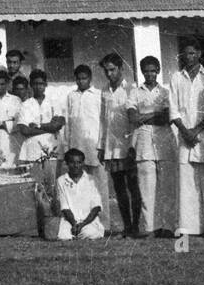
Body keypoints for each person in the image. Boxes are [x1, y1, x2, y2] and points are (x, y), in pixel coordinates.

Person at [170, 39, 204, 237]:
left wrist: (197, 130)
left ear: (199, 54)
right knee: (187, 185)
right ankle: (189, 229)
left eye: (192, 53)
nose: (188, 57)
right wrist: (185, 131)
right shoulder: (176, 78)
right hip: (184, 138)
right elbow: (174, 110)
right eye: (185, 54)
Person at [127, 56, 177, 237]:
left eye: (153, 70)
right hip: (144, 144)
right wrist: (154, 113)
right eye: (146, 71)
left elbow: (165, 117)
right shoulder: (135, 92)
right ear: (142, 72)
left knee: (167, 188)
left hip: (164, 142)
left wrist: (144, 116)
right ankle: (150, 228)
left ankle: (169, 227)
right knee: (147, 188)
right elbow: (132, 117)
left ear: (158, 70)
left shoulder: (165, 92)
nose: (149, 74)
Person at [99, 52, 141, 237]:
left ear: (121, 68)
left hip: (128, 146)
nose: (109, 74)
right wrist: (101, 146)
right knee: (119, 189)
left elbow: (135, 121)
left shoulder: (132, 89)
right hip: (111, 146)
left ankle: (136, 226)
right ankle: (127, 226)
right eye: (106, 71)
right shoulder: (104, 91)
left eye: (112, 70)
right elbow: (103, 120)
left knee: (133, 187)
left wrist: (134, 145)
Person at [62, 63, 107, 219]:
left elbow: (102, 121)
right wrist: (67, 147)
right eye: (79, 79)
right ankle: (81, 220)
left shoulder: (98, 95)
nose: (81, 82)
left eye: (84, 78)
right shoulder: (71, 96)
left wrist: (102, 145)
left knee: (99, 185)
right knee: (79, 185)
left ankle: (104, 223)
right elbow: (68, 123)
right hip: (76, 147)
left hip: (94, 146)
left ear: (90, 78)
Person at [56, 148, 106, 241]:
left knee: (91, 233)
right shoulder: (61, 180)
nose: (76, 166)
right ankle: (75, 232)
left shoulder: (92, 180)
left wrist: (83, 224)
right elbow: (65, 207)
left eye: (79, 162)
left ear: (83, 163)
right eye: (72, 162)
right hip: (70, 221)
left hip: (88, 221)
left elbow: (96, 207)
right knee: (64, 236)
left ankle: (80, 232)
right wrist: (74, 224)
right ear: (66, 163)